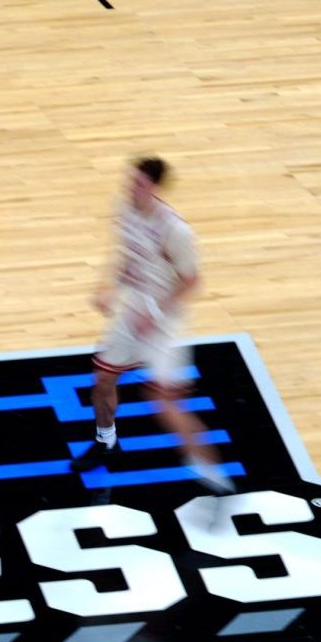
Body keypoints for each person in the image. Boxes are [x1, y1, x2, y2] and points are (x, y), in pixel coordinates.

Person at [70, 157, 235, 498]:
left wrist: (155, 312)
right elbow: (127, 256)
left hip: (165, 319)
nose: (132, 188)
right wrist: (109, 287)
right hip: (134, 310)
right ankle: (106, 442)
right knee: (101, 381)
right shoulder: (125, 209)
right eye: (130, 181)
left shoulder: (175, 230)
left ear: (155, 189)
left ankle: (213, 476)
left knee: (165, 402)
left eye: (140, 184)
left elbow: (192, 281)